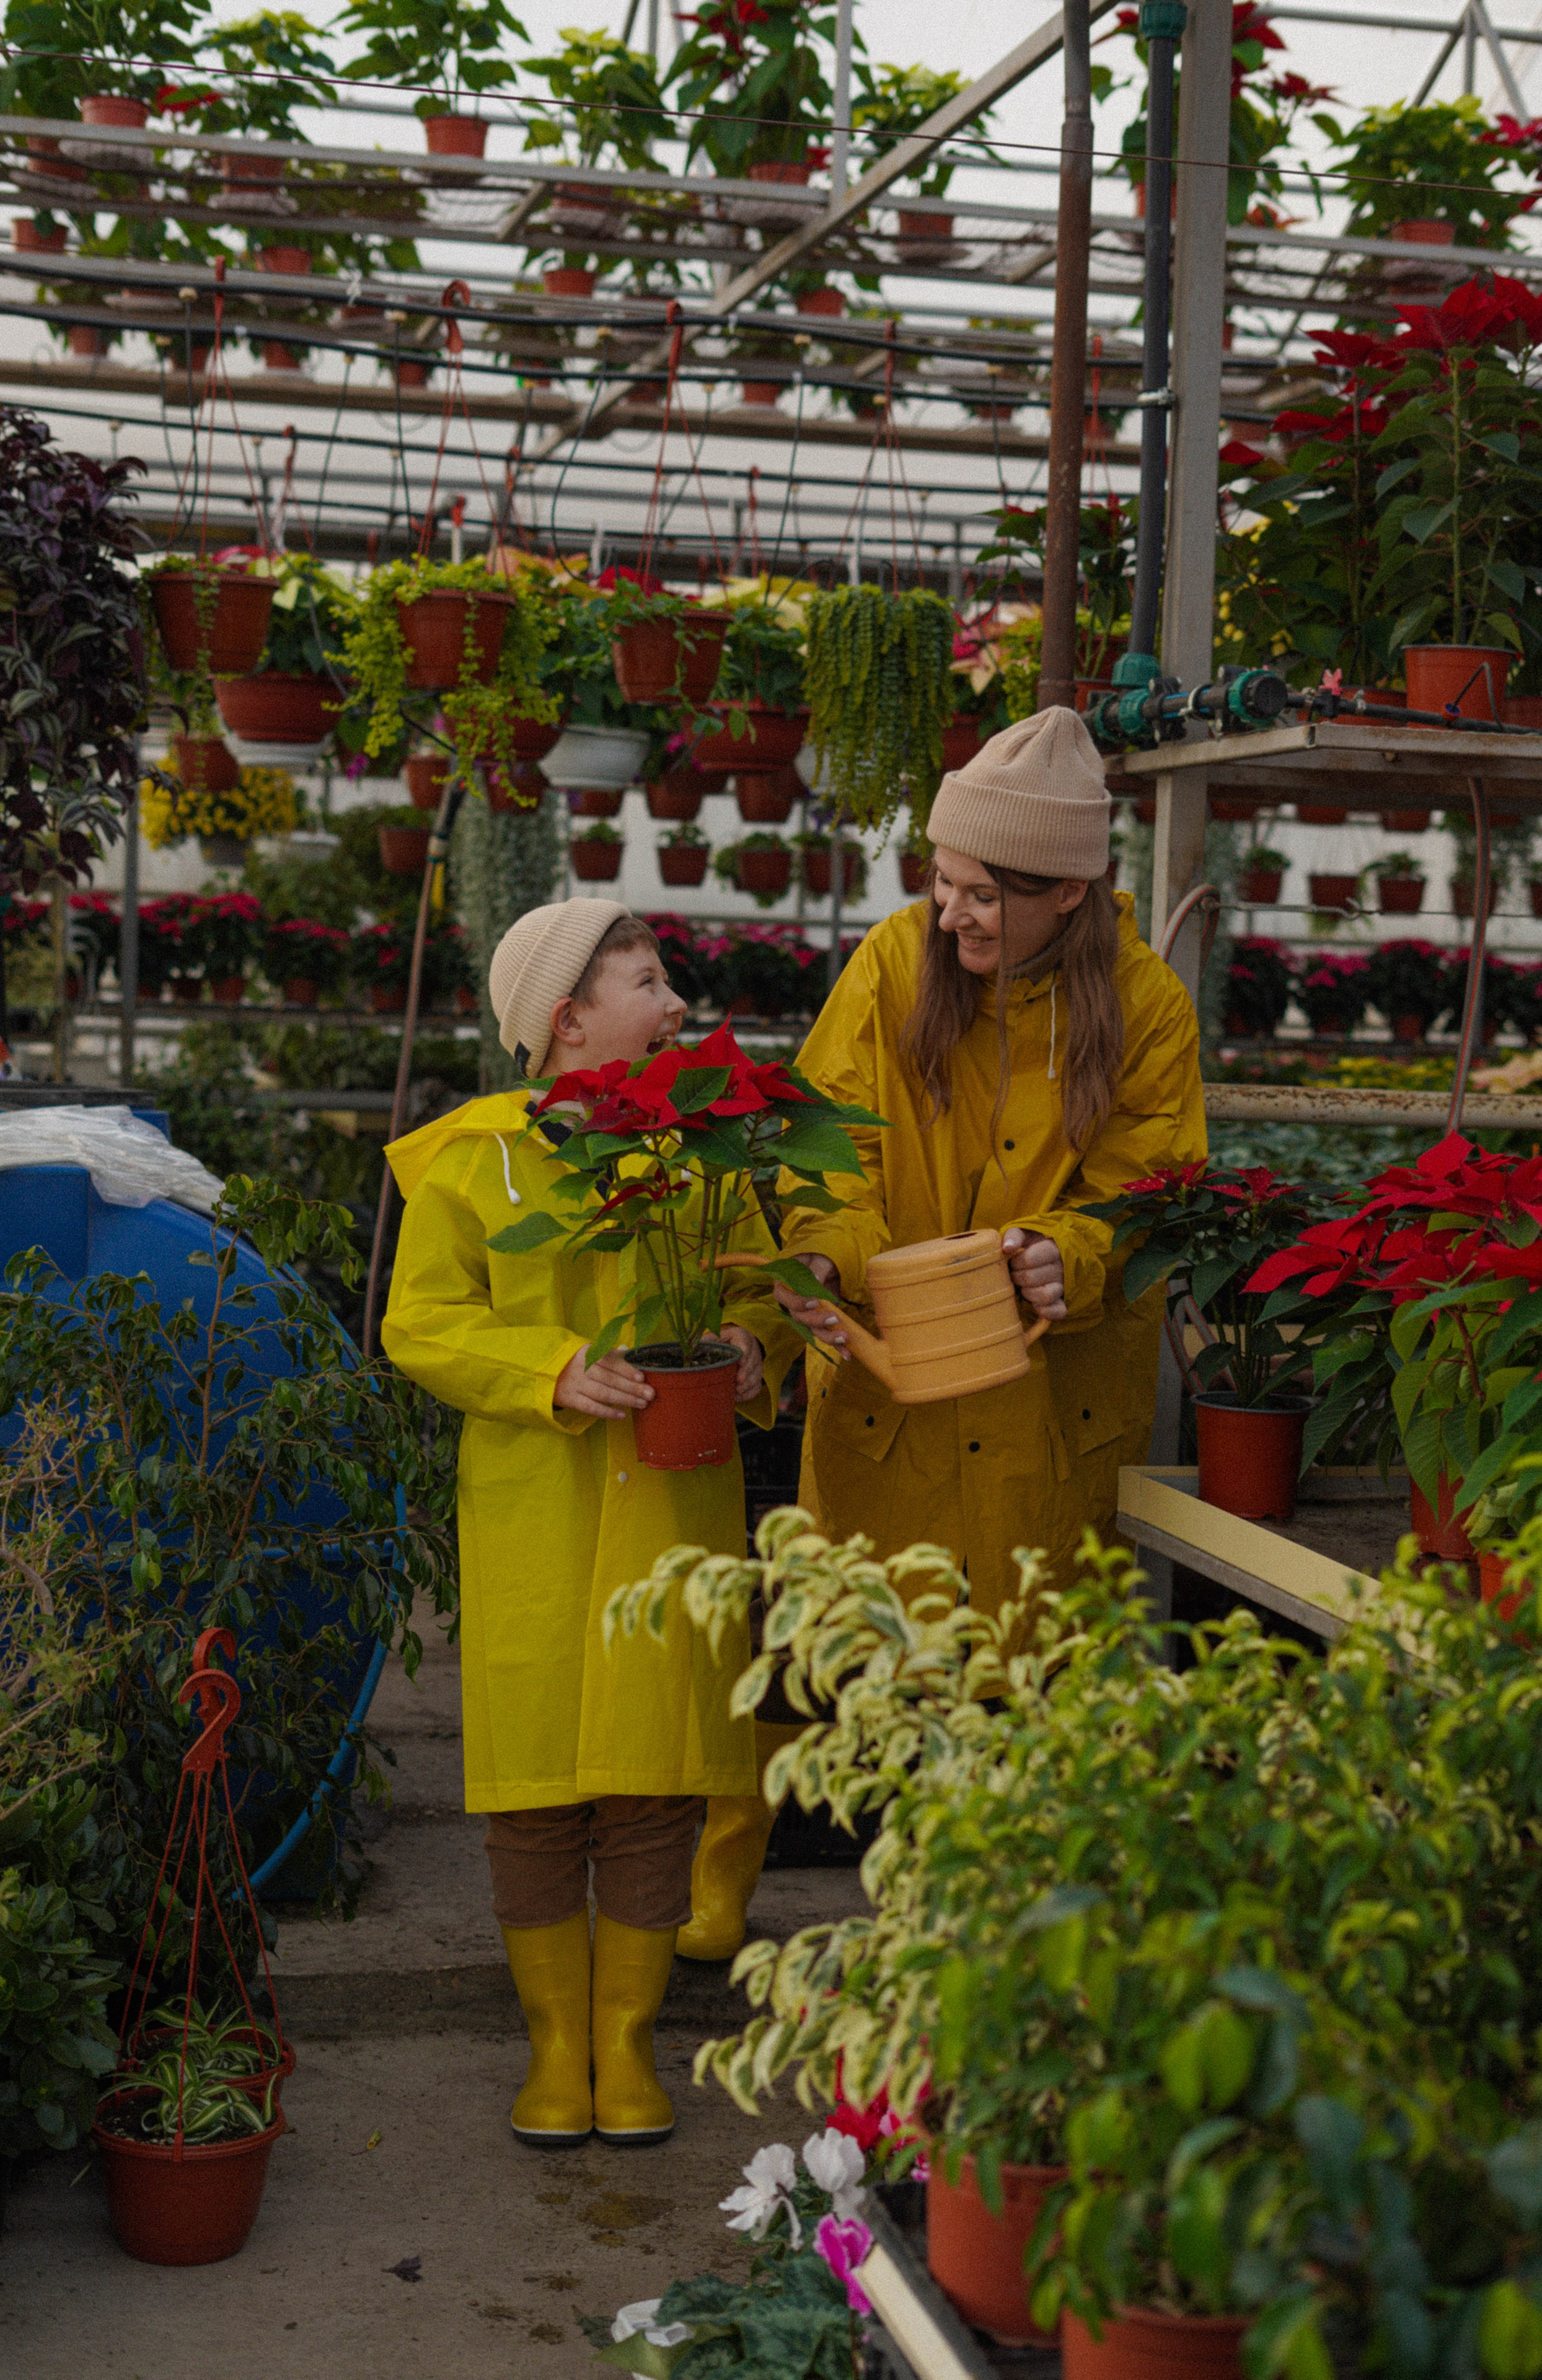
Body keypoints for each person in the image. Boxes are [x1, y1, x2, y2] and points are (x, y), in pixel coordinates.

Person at [677, 705, 1207, 1963]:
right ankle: (721, 1881)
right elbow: (820, 1143)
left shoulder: (1143, 1008)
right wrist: (821, 1252)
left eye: (983, 897)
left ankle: (994, 1932)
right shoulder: (888, 966)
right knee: (819, 1644)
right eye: (941, 882)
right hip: (886, 1373)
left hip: (1043, 1394)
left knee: (1024, 1672)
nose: (951, 915)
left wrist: (1063, 1253)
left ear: (1068, 894)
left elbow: (1153, 1191)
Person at [381, 899, 797, 2143]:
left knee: (654, 1785)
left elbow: (758, 1294)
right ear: (567, 1022)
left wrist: (748, 1344)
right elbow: (422, 1324)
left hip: (674, 1508)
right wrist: (554, 1368)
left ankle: (626, 2049)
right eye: (648, 981)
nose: (675, 1006)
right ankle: (555, 2050)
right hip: (537, 1521)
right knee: (538, 1794)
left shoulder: (701, 1155)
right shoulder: (470, 1159)